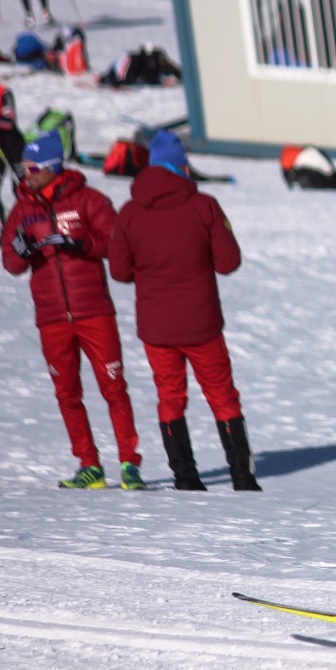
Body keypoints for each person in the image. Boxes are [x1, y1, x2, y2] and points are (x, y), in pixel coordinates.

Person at [109, 131, 260, 492]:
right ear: (183, 166)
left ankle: (185, 477)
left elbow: (120, 271)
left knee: (170, 397)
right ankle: (242, 476)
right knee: (222, 395)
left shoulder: (130, 212)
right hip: (201, 323)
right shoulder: (204, 205)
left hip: (156, 328)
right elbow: (228, 262)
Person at [0, 131, 146, 490]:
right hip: (51, 317)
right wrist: (21, 251)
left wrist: (80, 244)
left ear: (52, 167)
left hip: (93, 310)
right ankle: (89, 465)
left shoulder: (89, 199)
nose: (26, 174)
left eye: (32, 168)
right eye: (24, 167)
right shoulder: (22, 209)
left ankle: (129, 463)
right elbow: (10, 264)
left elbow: (116, 243)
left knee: (113, 387)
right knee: (67, 393)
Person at [0, 66, 26, 245]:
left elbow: (9, 121)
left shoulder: (3, 92)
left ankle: (26, 229)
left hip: (14, 150)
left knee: (20, 191)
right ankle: (4, 231)